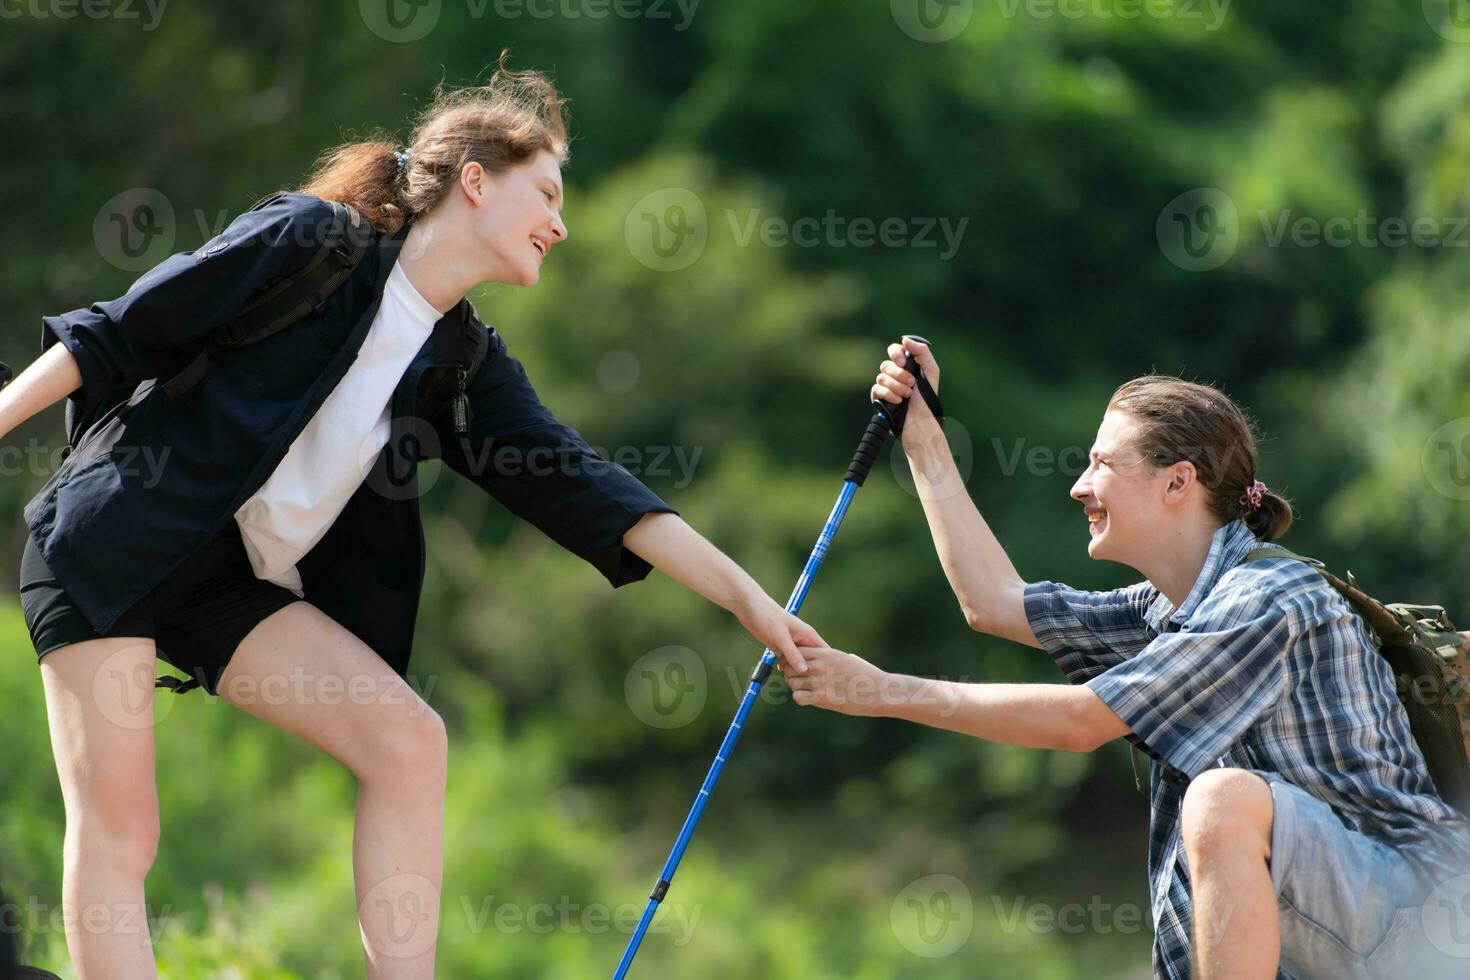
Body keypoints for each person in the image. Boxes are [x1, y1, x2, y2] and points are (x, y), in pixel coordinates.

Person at [5, 57, 821, 980]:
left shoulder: (462, 359)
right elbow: (116, 331)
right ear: (475, 180)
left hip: (221, 580)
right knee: (124, 830)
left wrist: (751, 602)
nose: (563, 221)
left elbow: (588, 485)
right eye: (546, 191)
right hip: (109, 538)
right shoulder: (316, 240)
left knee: (407, 740)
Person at [786, 337, 1470, 979]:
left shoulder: (1269, 599)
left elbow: (1081, 723)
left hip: (1418, 918)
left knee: (1220, 802)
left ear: (1178, 484)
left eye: (1102, 465)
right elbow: (991, 602)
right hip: (1350, 923)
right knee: (1222, 806)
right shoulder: (1168, 609)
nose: (1079, 487)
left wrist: (880, 691)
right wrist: (923, 433)